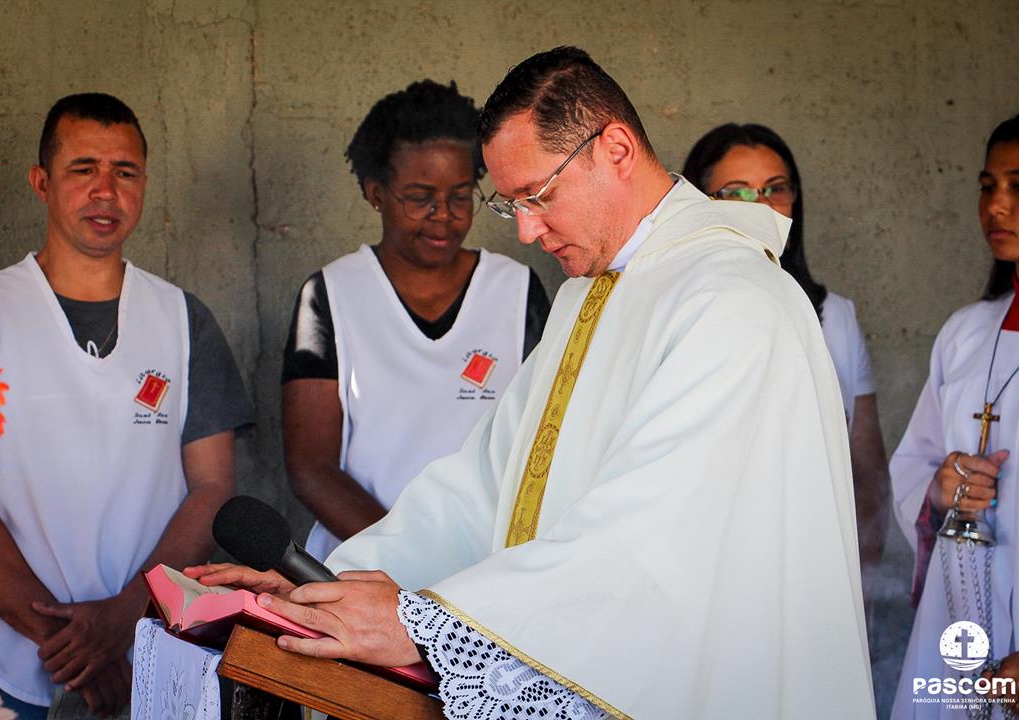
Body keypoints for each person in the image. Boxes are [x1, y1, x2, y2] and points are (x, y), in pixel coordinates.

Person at [189, 46, 873, 719]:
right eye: (508, 203)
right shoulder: (589, 294)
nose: (524, 230)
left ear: (615, 149)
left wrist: (423, 625)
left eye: (538, 196)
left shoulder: (734, 301)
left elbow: (651, 545)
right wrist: (326, 585)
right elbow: (485, 487)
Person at [0, 93, 253, 718]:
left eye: (126, 172)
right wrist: (69, 644)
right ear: (41, 182)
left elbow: (212, 488)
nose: (106, 191)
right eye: (83, 169)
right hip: (11, 661)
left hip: (153, 647)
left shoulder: (183, 320)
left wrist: (125, 617)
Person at [281, 80, 549, 561]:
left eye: (460, 195)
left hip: (483, 569)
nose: (442, 215)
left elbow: (543, 443)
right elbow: (311, 467)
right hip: (362, 566)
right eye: (419, 196)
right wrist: (406, 554)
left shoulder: (516, 290)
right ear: (376, 194)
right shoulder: (331, 294)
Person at [681, 123, 890, 612]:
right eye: (737, 193)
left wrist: (860, 581)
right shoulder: (680, 314)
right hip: (710, 586)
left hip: (815, 581)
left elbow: (866, 474)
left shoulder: (836, 317)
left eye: (775, 188)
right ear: (700, 204)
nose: (762, 207)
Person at [890, 115, 1019, 718]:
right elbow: (911, 463)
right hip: (959, 619)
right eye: (987, 186)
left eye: (1018, 186)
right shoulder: (966, 333)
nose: (997, 206)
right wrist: (940, 490)